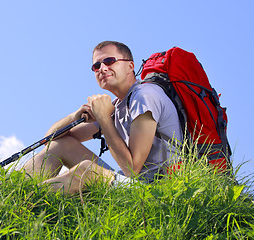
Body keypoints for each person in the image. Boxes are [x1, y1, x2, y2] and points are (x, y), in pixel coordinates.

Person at [23, 41, 182, 194]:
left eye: (110, 61)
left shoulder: (145, 96)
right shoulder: (117, 106)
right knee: (60, 145)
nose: (103, 68)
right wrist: (73, 116)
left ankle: (24, 202)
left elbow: (132, 170)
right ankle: (16, 191)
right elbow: (50, 140)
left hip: (158, 190)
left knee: (87, 171)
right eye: (96, 66)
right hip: (132, 183)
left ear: (130, 66)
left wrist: (104, 118)